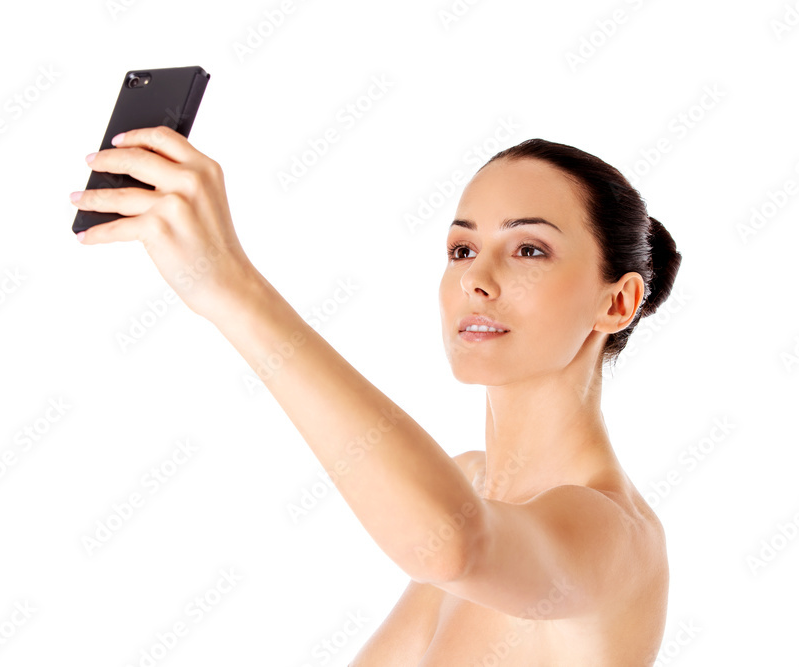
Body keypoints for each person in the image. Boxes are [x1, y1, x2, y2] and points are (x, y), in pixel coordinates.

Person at [71, 127, 682, 665]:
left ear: (617, 302)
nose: (475, 278)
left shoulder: (615, 535)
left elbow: (453, 545)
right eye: (462, 250)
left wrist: (230, 285)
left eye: (528, 250)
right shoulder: (470, 482)